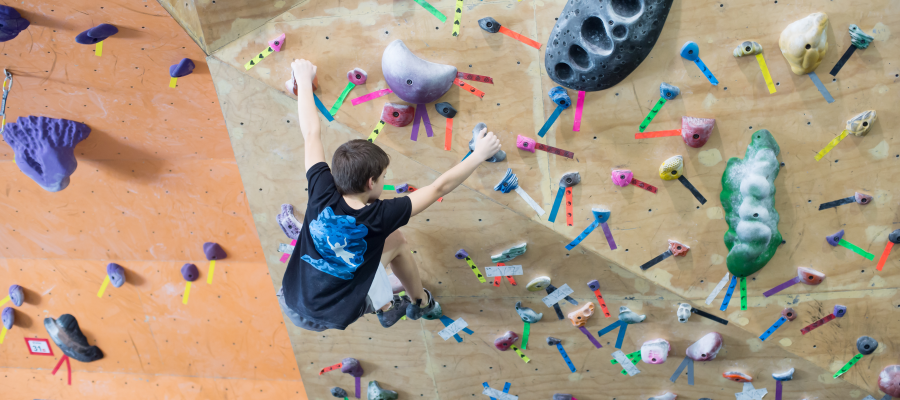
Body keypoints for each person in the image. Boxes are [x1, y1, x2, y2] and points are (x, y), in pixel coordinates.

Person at [278, 59, 502, 331]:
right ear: (372, 182)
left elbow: (311, 134)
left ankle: (386, 291)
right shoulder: (380, 216)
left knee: (366, 253)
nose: (384, 181)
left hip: (291, 298)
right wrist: (479, 154)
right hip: (334, 315)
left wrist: (303, 80)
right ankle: (414, 302)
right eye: (383, 177)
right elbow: (438, 189)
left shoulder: (321, 189)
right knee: (395, 241)